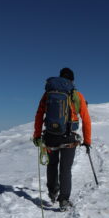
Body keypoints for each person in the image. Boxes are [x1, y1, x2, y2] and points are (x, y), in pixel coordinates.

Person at [32, 67, 92, 210]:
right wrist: (87, 141)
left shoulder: (48, 94)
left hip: (50, 136)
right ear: (72, 80)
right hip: (69, 138)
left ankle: (53, 193)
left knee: (52, 165)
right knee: (65, 169)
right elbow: (86, 119)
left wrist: (37, 135)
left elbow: (39, 115)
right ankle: (64, 200)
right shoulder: (77, 95)